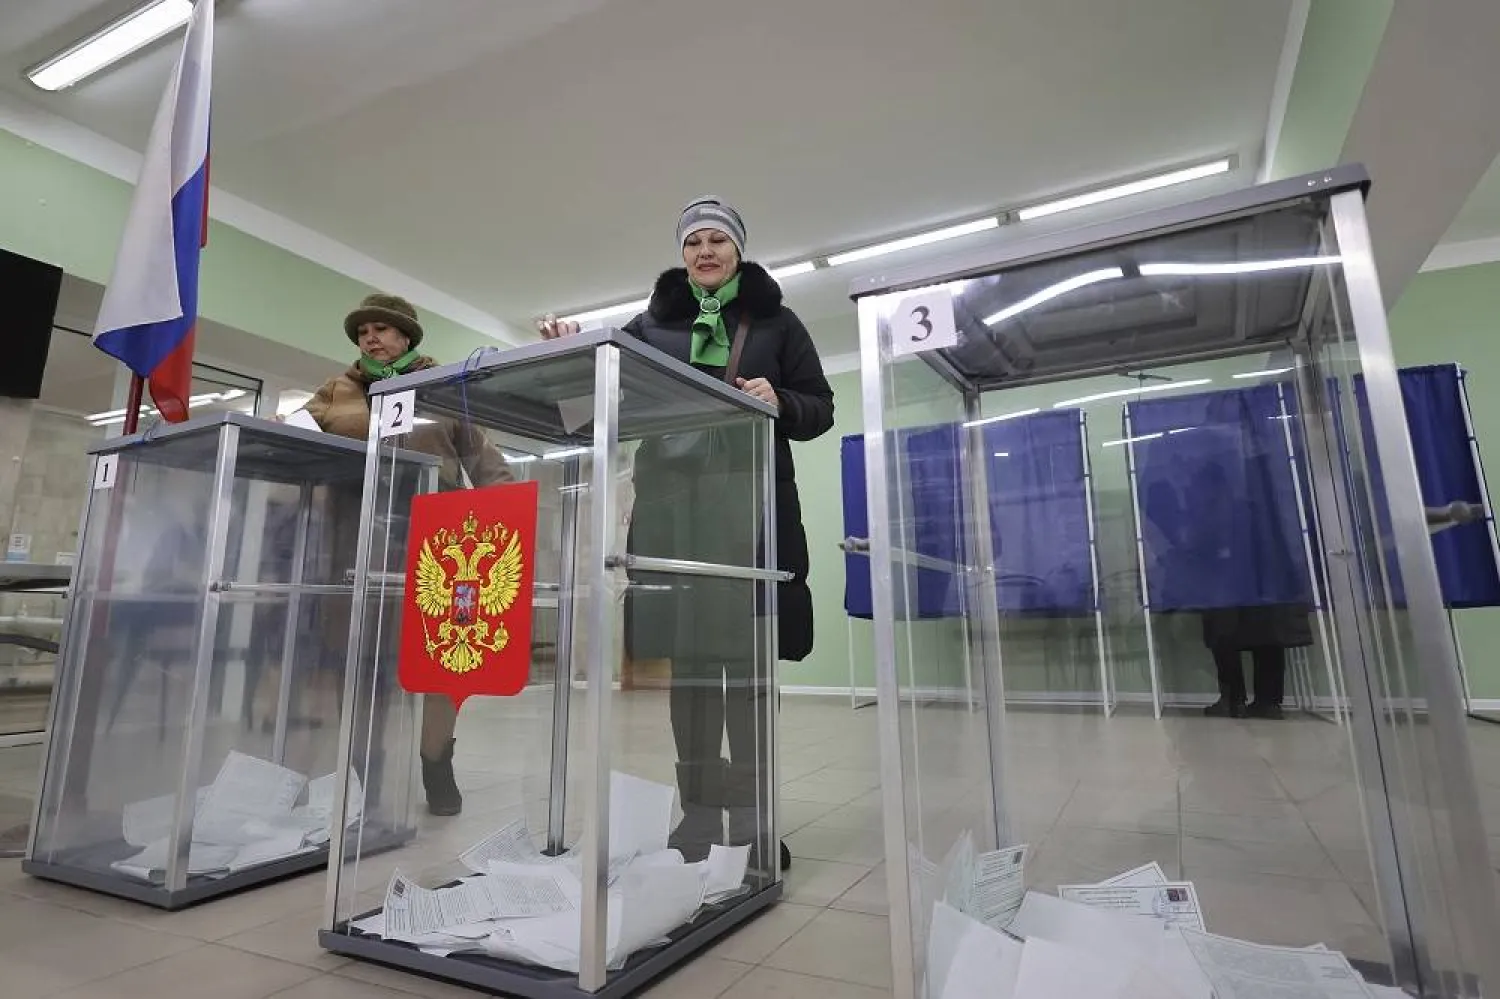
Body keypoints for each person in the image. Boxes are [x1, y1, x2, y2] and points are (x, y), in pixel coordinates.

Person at [539, 197, 835, 870]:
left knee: (750, 676)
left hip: (752, 516)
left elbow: (820, 408)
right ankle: (699, 813)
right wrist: (571, 355)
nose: (705, 250)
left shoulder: (777, 324)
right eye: (694, 241)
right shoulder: (648, 325)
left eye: (717, 240)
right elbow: (602, 399)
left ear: (738, 250)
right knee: (694, 676)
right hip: (676, 516)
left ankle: (757, 821)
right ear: (682, 254)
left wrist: (780, 400)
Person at [305, 293, 512, 815]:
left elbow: (486, 464)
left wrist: (506, 526)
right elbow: (299, 447)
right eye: (363, 331)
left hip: (441, 545)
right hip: (358, 537)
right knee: (362, 662)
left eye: (382, 329)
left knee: (443, 662)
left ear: (407, 337)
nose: (370, 338)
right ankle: (363, 772)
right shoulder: (335, 391)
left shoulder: (444, 388)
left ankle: (436, 765)